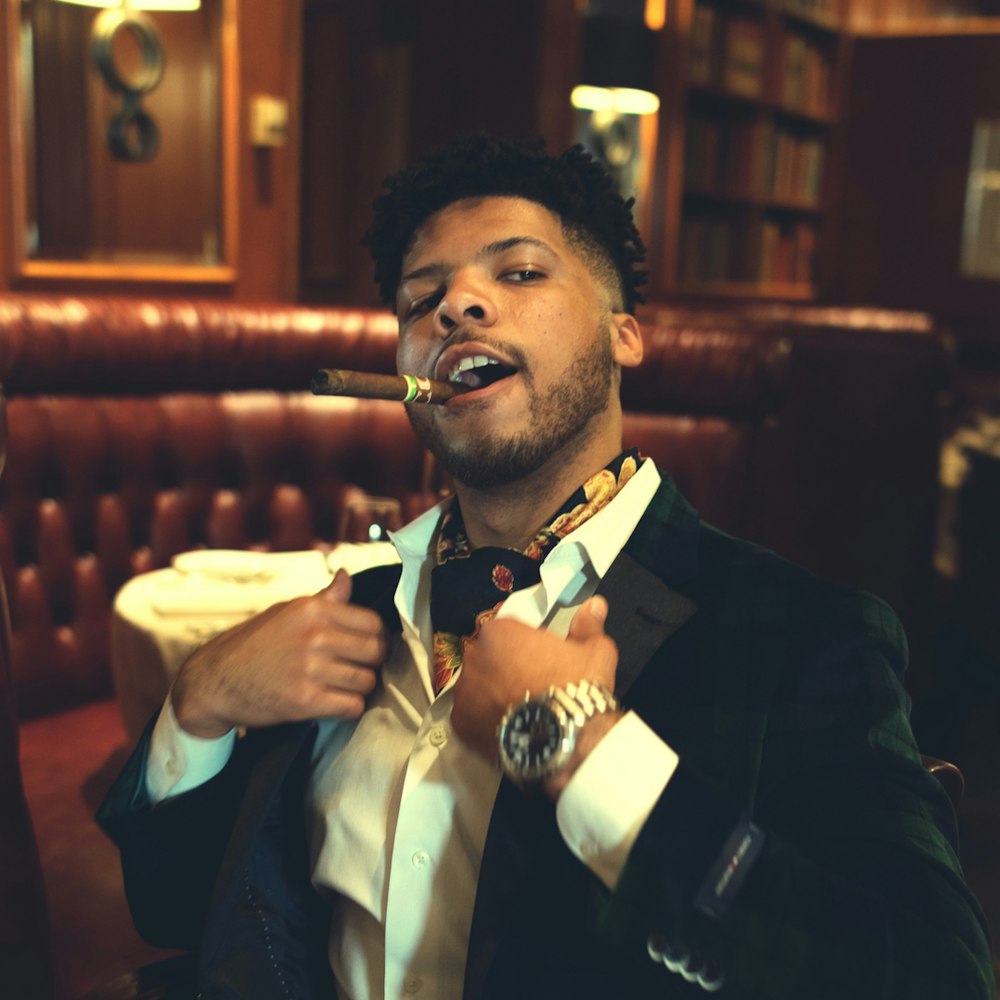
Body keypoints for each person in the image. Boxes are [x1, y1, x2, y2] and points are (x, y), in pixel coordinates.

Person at [99, 134, 994, 1000]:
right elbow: (179, 913)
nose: (456, 306)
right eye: (421, 300)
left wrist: (580, 749)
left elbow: (930, 978)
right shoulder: (347, 604)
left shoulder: (803, 632)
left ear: (625, 336)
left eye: (518, 271)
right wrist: (198, 704)